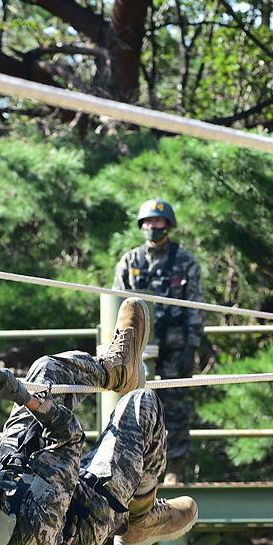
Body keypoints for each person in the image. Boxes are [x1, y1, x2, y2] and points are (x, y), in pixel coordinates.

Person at [0, 298, 198, 545]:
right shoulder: (37, 524)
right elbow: (68, 437)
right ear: (0, 516)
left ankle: (116, 369)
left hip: (15, 467)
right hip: (88, 507)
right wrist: (23, 397)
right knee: (142, 406)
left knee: (45, 370)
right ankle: (141, 516)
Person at [112, 199, 205, 485]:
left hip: (176, 345)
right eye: (148, 222)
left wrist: (191, 344)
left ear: (168, 225)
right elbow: (118, 302)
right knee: (136, 403)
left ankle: (174, 467)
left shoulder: (185, 261)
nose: (153, 227)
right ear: (142, 226)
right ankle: (138, 470)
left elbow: (196, 304)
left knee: (175, 405)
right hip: (139, 346)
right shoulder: (130, 261)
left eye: (158, 222)